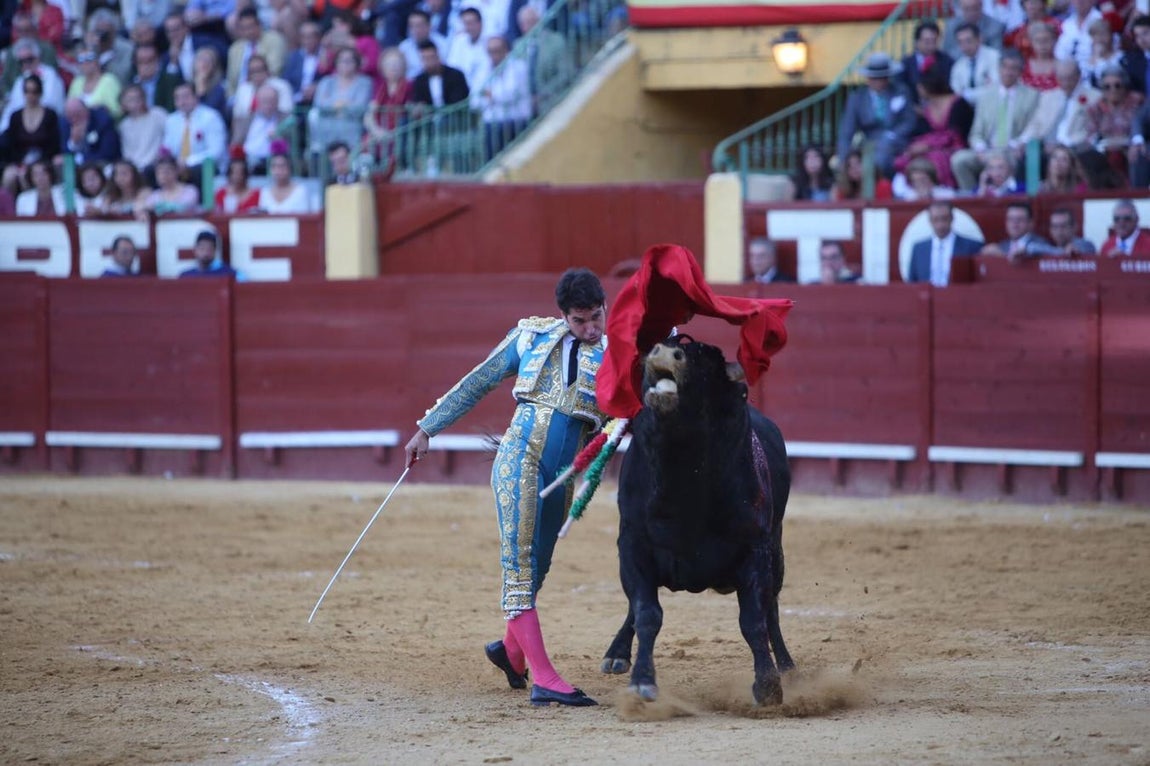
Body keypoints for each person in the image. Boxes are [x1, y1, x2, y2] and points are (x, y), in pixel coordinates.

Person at [403, 268, 608, 708]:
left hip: (564, 474)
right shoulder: (530, 337)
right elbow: (479, 380)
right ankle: (544, 679)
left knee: (540, 566)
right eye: (580, 320)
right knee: (518, 566)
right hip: (519, 457)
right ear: (563, 317)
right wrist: (427, 428)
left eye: (596, 317)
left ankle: (511, 652)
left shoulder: (618, 351)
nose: (591, 328)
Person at [950, 48, 1040, 192]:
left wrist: (1020, 143)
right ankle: (972, 198)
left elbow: (1034, 127)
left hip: (1012, 150)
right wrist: (979, 148)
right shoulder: (986, 96)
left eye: (1013, 68)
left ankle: (1017, 196)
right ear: (999, 68)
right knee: (959, 160)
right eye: (1005, 67)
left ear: (1020, 71)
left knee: (1023, 159)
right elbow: (976, 132)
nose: (1008, 72)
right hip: (988, 150)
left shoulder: (1032, 95)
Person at [837, 52, 917, 177]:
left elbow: (909, 121)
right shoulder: (857, 98)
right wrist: (843, 158)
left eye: (882, 77)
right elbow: (846, 131)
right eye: (874, 78)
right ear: (868, 78)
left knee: (882, 156)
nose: (879, 81)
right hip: (870, 145)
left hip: (898, 143)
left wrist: (892, 136)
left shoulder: (901, 91)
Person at [894, 63, 973, 189]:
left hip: (953, 146)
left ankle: (942, 191)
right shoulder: (927, 109)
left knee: (937, 158)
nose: (918, 89)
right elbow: (924, 133)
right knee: (906, 158)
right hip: (932, 146)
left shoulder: (958, 104)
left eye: (920, 86)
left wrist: (928, 146)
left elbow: (956, 134)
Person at [0, 73, 60, 194]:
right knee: (9, 176)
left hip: (44, 161)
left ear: (40, 92)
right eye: (27, 91)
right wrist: (19, 164)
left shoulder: (50, 115)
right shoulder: (15, 116)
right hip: (19, 162)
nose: (30, 95)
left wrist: (36, 164)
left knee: (34, 174)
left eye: (34, 91)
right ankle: (9, 211)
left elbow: (54, 144)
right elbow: (12, 144)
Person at [309, 46, 374, 156]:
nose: (345, 64)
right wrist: (344, 105)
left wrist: (334, 107)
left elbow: (359, 108)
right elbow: (320, 105)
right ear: (336, 62)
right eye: (342, 60)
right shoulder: (326, 82)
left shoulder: (365, 83)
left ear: (356, 63)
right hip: (326, 131)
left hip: (352, 132)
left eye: (349, 61)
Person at [475, 35, 532, 159]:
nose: (493, 55)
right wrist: (491, 97)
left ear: (506, 50)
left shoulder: (519, 66)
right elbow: (475, 100)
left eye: (497, 50)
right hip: (491, 122)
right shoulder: (482, 69)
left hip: (516, 119)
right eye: (490, 51)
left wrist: (490, 95)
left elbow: (511, 94)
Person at [161, 83, 228, 188]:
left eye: (186, 97)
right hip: (179, 166)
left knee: (200, 169)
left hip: (207, 166)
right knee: (155, 170)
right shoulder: (171, 120)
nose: (182, 102)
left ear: (196, 97)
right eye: (178, 98)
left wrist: (188, 162)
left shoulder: (211, 117)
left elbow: (216, 152)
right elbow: (167, 148)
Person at [906, 200, 983, 285]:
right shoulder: (918, 249)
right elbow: (912, 283)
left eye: (944, 219)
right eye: (936, 219)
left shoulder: (971, 246)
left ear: (952, 218)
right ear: (930, 220)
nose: (940, 225)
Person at [515, 5, 572, 115]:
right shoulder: (517, 47)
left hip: (551, 101)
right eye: (525, 23)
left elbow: (566, 73)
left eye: (532, 21)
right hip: (524, 107)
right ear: (521, 26)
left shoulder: (556, 41)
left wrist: (542, 95)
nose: (529, 26)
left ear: (539, 21)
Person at [0, 38, 66, 132]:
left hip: (44, 126)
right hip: (20, 128)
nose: (26, 64)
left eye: (29, 59)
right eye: (22, 61)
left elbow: (52, 105)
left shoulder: (50, 76)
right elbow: (10, 110)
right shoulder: (20, 81)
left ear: (38, 57)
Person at [226, 7, 287, 95]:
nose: (248, 31)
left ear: (259, 25)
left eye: (251, 26)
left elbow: (274, 70)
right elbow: (231, 81)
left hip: (268, 92)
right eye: (244, 28)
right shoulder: (235, 49)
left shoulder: (274, 40)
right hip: (240, 95)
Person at [232, 84, 290, 173]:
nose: (268, 104)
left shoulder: (286, 119)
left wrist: (277, 137)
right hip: (248, 163)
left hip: (274, 162)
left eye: (271, 100)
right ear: (257, 101)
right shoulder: (245, 120)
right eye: (264, 101)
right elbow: (236, 143)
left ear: (277, 101)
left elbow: (290, 145)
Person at [118, 84, 168, 173]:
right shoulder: (124, 125)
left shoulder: (158, 114)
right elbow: (127, 153)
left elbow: (169, 137)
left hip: (155, 164)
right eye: (130, 100)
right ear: (123, 104)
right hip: (134, 168)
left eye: (137, 98)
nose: (135, 102)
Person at [899, 20, 954, 100]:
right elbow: (901, 88)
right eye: (927, 42)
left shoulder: (947, 61)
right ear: (917, 42)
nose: (931, 46)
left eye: (934, 41)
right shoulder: (906, 63)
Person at [59, 99, 122, 167]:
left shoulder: (103, 122)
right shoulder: (64, 124)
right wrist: (73, 142)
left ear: (86, 110)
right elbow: (64, 151)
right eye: (70, 115)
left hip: (102, 165)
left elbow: (108, 153)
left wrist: (77, 159)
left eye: (77, 114)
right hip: (76, 167)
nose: (74, 119)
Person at [949, 22, 1001, 105]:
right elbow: (956, 94)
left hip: (992, 105)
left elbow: (995, 89)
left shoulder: (994, 57)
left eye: (968, 41)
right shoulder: (958, 66)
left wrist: (967, 94)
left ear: (979, 39)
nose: (965, 46)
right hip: (967, 110)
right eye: (960, 42)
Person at [979, 201, 1050, 262]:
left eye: (1020, 219)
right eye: (1011, 219)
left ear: (1030, 223)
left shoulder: (1041, 243)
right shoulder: (1001, 246)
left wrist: (1003, 256)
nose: (1015, 223)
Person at [67, 48, 122, 118]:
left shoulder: (109, 80)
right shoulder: (77, 82)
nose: (85, 63)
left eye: (89, 58)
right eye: (81, 60)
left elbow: (116, 111)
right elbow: (69, 107)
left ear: (97, 61)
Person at [942, 0, 1006, 58]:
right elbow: (947, 52)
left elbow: (996, 54)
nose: (971, 12)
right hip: (957, 64)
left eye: (974, 8)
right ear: (961, 8)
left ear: (981, 6)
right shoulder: (951, 25)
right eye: (967, 9)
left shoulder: (995, 27)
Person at [446, 7, 490, 91]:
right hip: (461, 89)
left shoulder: (490, 42)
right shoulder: (458, 41)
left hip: (483, 88)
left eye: (471, 23)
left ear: (480, 23)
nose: (469, 27)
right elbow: (452, 66)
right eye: (465, 23)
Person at [258, 145, 312, 213]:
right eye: (274, 166)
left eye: (282, 166)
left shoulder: (300, 192)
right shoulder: (265, 192)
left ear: (289, 168)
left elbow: (305, 219)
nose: (278, 170)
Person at [1054, 0, 1104, 74]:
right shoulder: (1067, 24)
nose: (1080, 2)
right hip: (1069, 76)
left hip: (1095, 72)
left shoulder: (1102, 20)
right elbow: (1060, 54)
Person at [131, 42, 181, 113]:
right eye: (141, 61)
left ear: (158, 61)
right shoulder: (131, 85)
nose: (146, 65)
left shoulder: (171, 81)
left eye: (150, 60)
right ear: (135, 63)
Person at [399, 9, 449, 79]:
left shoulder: (442, 44)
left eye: (419, 25)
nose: (415, 30)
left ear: (429, 26)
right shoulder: (404, 47)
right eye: (412, 26)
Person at [1027, 207, 1097, 256]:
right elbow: (1033, 247)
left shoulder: (1086, 245)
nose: (1059, 231)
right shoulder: (1048, 245)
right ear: (1050, 229)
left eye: (1063, 226)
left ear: (1074, 227)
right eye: (1055, 227)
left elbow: (1072, 251)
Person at [283, 20, 324, 106]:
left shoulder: (325, 55)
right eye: (304, 37)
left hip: (319, 100)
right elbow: (286, 80)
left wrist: (318, 87)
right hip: (296, 100)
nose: (307, 41)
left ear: (318, 38)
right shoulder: (294, 57)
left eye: (310, 37)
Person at [214, 148, 261, 212]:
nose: (237, 177)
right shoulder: (221, 194)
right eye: (234, 173)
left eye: (240, 173)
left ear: (245, 174)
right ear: (229, 175)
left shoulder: (256, 194)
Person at [191, 47, 230, 122]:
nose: (204, 64)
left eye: (208, 61)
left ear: (214, 66)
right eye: (201, 60)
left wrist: (201, 90)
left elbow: (206, 114)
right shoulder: (188, 85)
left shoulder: (219, 89)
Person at [1021, 21, 1059, 92]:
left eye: (1046, 40)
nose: (1042, 44)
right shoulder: (1023, 65)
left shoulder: (1061, 66)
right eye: (1038, 40)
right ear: (1031, 42)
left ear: (1054, 41)